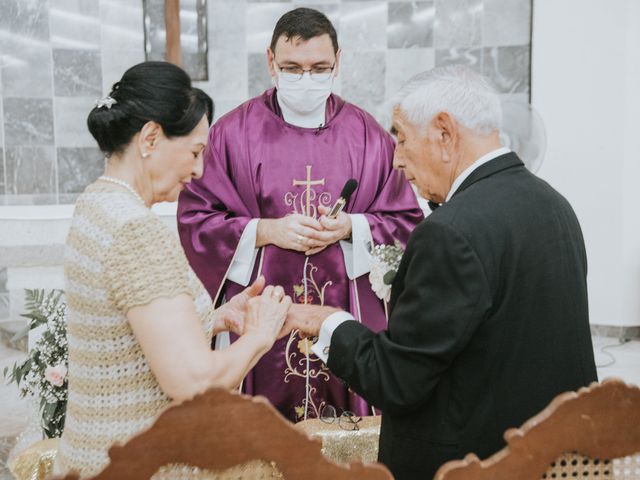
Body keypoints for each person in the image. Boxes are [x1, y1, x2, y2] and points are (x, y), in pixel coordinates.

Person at [284, 65, 598, 479]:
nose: (395, 158)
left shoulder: (450, 232)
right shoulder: (555, 205)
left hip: (475, 463)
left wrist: (325, 321)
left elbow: (397, 381)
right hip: (555, 456)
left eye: (400, 136)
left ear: (444, 133)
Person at [177, 8, 423, 422]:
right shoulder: (231, 134)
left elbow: (406, 223)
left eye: (319, 68)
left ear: (338, 63)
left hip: (343, 311)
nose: (306, 79)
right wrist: (266, 230)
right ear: (271, 62)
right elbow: (196, 220)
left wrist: (352, 226)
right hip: (262, 311)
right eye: (292, 68)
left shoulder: (368, 136)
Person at [54, 62, 292, 478]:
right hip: (141, 465)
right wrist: (260, 334)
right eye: (196, 152)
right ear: (150, 137)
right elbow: (193, 383)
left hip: (96, 455)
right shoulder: (137, 230)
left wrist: (213, 319)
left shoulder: (96, 203)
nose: (199, 171)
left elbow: (127, 332)